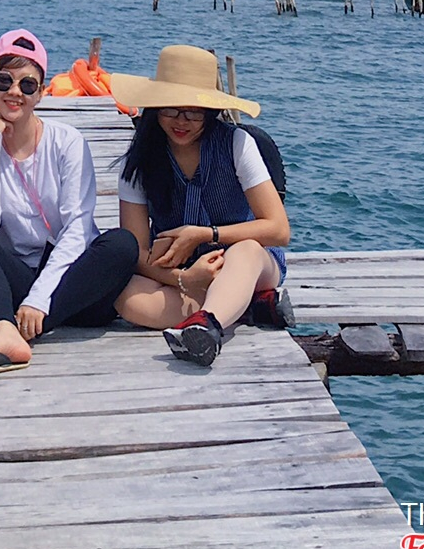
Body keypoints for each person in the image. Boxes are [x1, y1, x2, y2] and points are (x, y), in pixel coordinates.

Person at [0, 28, 138, 378]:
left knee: (122, 244)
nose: (14, 92)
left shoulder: (66, 142)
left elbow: (77, 229)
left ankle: (7, 330)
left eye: (27, 85)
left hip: (74, 285)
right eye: (4, 81)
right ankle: (8, 330)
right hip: (19, 283)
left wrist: (39, 299)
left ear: (40, 93)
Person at [109, 44, 292, 368]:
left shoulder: (237, 144)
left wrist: (205, 234)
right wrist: (184, 278)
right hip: (185, 272)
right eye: (170, 109)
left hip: (249, 261)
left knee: (246, 251)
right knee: (127, 298)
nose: (181, 121)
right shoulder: (138, 161)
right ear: (155, 107)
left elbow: (278, 230)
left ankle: (207, 326)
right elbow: (136, 252)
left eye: (194, 112)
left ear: (210, 111)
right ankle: (243, 306)